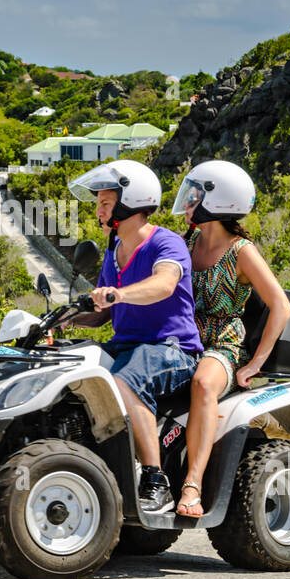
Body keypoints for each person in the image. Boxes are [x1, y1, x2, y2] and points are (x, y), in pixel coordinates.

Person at [66, 159, 202, 514]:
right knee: (70, 368)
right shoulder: (113, 251)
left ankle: (156, 479)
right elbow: (102, 314)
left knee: (125, 380)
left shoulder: (166, 243)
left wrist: (120, 294)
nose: (99, 210)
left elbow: (164, 284)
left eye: (105, 203)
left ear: (131, 202)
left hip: (172, 349)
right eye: (99, 203)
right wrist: (65, 321)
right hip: (126, 346)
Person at [170, 160, 290, 517]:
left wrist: (255, 363)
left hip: (222, 343)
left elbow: (281, 306)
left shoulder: (242, 251)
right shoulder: (187, 241)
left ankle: (192, 485)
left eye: (194, 196)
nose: (187, 202)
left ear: (217, 201)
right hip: (184, 338)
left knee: (203, 384)